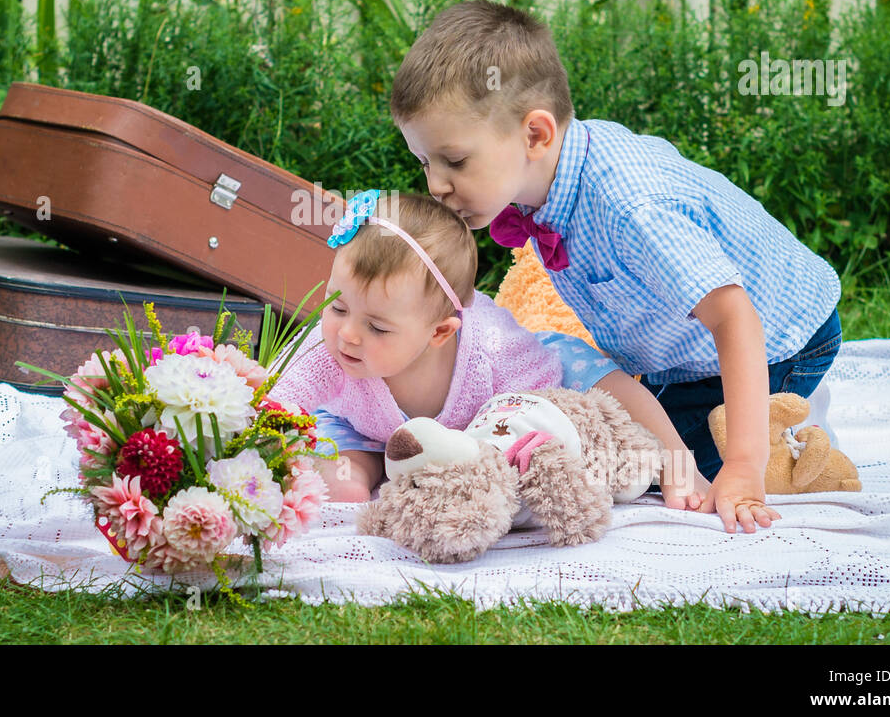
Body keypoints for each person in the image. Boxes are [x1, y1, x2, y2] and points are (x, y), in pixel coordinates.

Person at [389, 0, 844, 534]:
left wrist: (744, 467)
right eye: (425, 163)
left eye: (455, 161)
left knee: (657, 466)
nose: (435, 185)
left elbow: (734, 316)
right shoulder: (540, 180)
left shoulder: (631, 209)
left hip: (781, 340)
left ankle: (785, 430)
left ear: (535, 135)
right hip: (683, 356)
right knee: (604, 423)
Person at [269, 190, 713, 507]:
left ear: (439, 332)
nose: (347, 334)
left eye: (377, 327)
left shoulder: (494, 350)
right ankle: (384, 471)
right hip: (367, 427)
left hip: (498, 407)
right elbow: (279, 400)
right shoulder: (329, 348)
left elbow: (544, 403)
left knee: (598, 377)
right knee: (343, 487)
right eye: (338, 306)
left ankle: (678, 464)